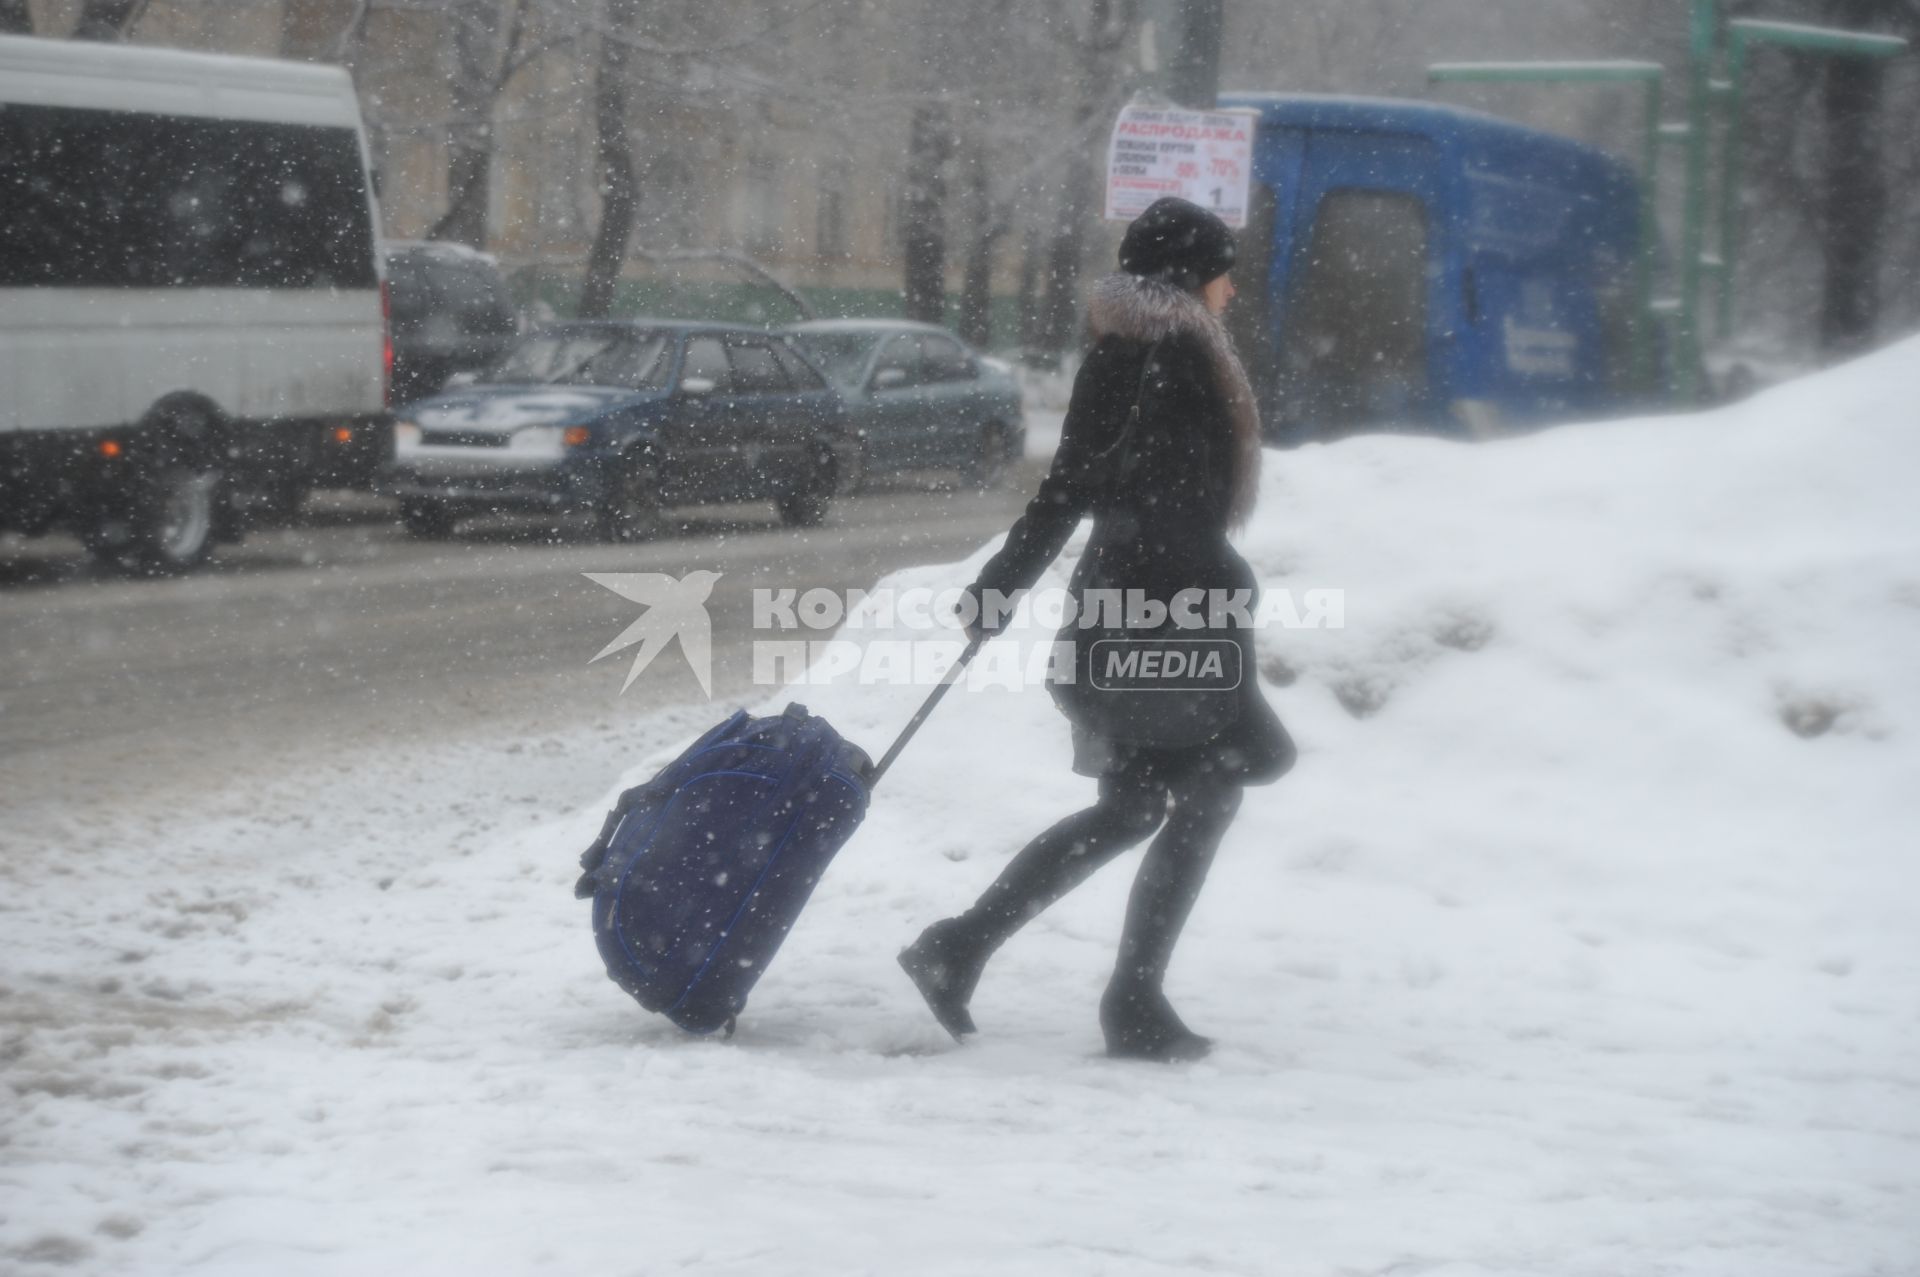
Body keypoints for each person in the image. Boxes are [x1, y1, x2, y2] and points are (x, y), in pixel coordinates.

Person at [898, 197, 1296, 1062]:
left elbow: (1073, 491)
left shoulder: (1137, 356)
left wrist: (1005, 584)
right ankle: (1126, 995)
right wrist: (1003, 586)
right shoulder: (1166, 361)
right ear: (1194, 275)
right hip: (1164, 619)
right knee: (1226, 775)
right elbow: (1113, 498)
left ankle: (963, 948)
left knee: (1142, 802)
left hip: (1137, 614)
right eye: (1224, 270)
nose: (1232, 288)